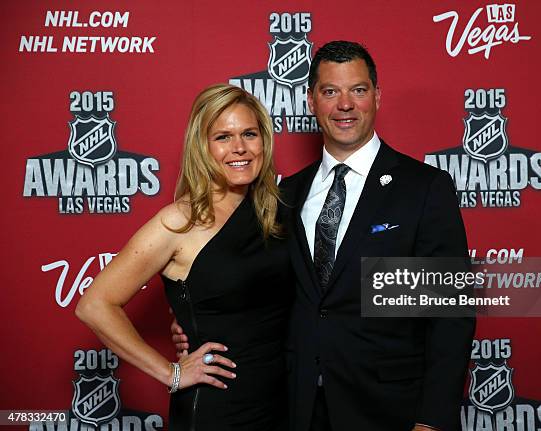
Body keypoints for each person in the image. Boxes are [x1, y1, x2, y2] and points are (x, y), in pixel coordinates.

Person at [173, 41, 475, 431]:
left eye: (359, 90)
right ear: (311, 101)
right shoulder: (284, 195)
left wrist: (431, 420)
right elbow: (244, 275)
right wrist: (189, 317)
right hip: (294, 406)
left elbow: (451, 314)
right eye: (330, 91)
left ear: (377, 97)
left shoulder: (423, 188)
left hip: (388, 409)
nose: (345, 104)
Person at [76, 84, 294, 431]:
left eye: (249, 134)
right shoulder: (178, 221)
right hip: (218, 406)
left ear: (264, 141)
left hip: (283, 400)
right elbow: (95, 305)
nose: (239, 148)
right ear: (202, 147)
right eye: (223, 137)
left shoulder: (279, 212)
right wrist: (172, 373)